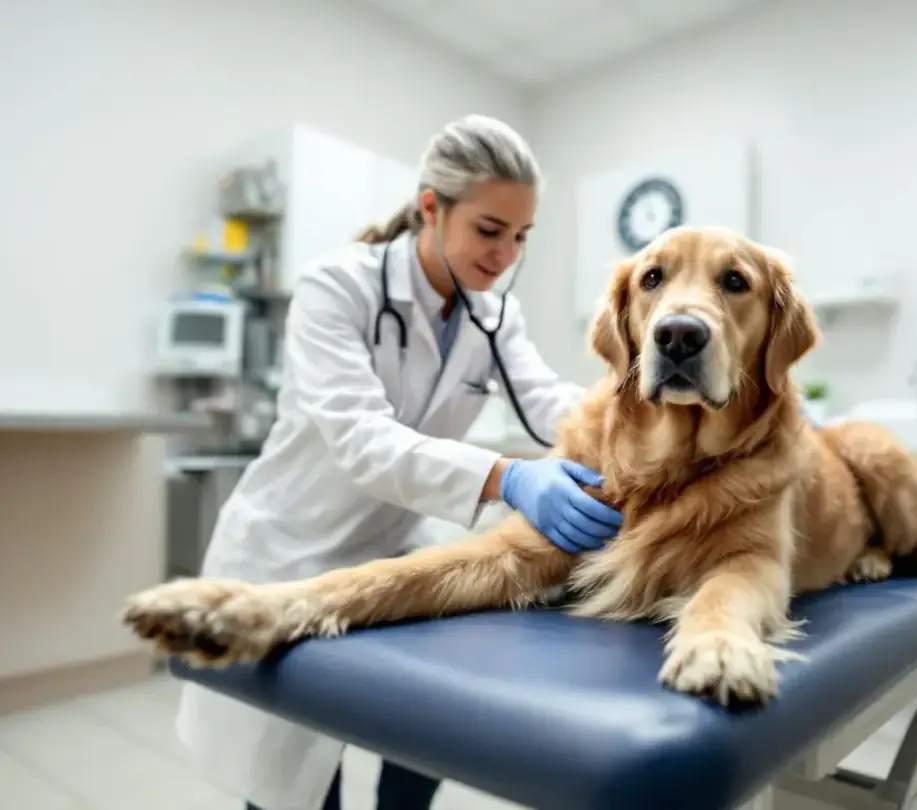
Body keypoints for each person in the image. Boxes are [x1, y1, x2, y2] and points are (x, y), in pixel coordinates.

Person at [174, 113, 625, 810]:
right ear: (430, 209)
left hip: (391, 553)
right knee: (291, 786)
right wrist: (508, 476)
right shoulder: (336, 288)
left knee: (421, 741)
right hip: (292, 551)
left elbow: (552, 405)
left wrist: (644, 411)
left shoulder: (494, 316)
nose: (505, 254)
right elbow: (361, 438)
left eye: (521, 237)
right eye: (489, 229)